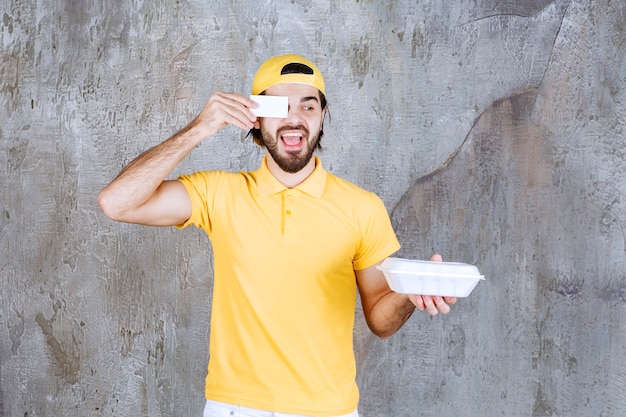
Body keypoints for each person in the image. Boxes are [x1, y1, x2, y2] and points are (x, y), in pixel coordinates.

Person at [98, 54, 456, 417]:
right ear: (255, 118)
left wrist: (410, 293)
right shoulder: (219, 194)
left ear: (321, 117)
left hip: (330, 411)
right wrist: (199, 128)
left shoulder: (362, 208)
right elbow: (117, 203)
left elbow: (381, 321)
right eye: (279, 106)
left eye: (308, 105)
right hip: (235, 408)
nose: (294, 118)